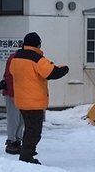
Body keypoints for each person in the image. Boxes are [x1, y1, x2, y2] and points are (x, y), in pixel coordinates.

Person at [9, 32, 69, 164]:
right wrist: (64, 68)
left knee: (29, 129)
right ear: (38, 44)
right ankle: (26, 157)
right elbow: (51, 72)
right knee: (34, 132)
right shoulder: (37, 59)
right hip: (34, 102)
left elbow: (12, 72)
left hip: (21, 101)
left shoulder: (16, 58)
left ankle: (27, 152)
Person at [0, 52, 24, 155]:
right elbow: (9, 77)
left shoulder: (16, 57)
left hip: (21, 92)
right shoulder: (16, 58)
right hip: (12, 92)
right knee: (14, 118)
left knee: (19, 118)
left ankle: (16, 140)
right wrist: (12, 94)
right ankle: (12, 141)